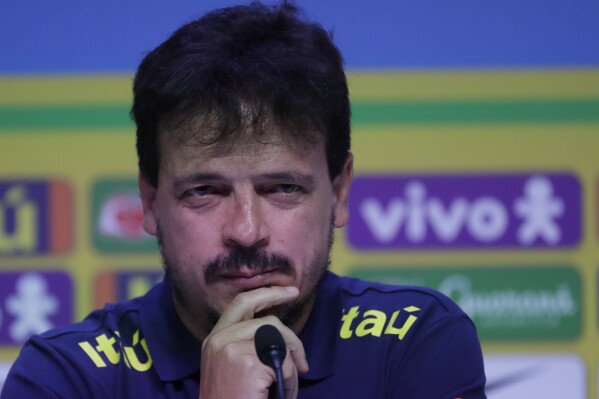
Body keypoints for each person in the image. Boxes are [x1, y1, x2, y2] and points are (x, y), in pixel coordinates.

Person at [1, 2, 486, 398]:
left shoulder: (414, 341)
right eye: (205, 191)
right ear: (150, 201)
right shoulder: (66, 378)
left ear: (339, 192)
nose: (247, 230)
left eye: (282, 188)